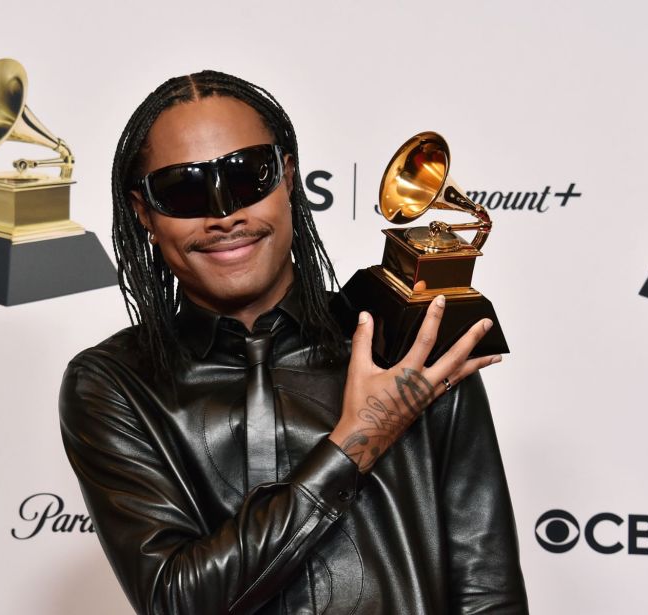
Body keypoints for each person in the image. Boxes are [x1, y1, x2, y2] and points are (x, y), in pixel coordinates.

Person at [59, 70, 528, 615]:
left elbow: (487, 591)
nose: (224, 214)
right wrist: (357, 440)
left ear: (287, 177)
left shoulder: (409, 344)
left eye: (246, 176)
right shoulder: (114, 385)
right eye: (184, 189)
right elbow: (176, 601)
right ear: (144, 212)